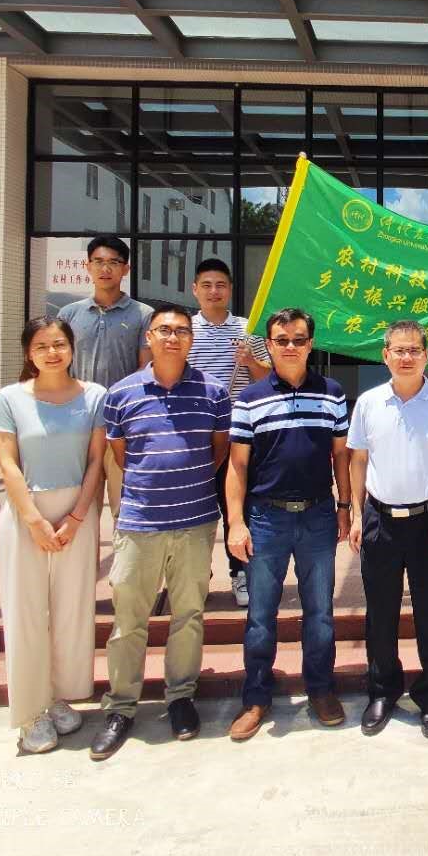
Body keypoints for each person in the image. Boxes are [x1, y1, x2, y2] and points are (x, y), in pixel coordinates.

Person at [90, 304, 231, 762]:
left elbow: (217, 451)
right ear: (149, 337)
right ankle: (121, 706)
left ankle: (181, 696)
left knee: (188, 614)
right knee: (129, 619)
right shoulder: (122, 393)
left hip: (195, 521)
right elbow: (120, 453)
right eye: (164, 330)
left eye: (182, 331)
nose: (173, 338)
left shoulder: (213, 392)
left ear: (192, 339)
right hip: (139, 524)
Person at [224, 308, 350, 741]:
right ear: (269, 345)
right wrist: (235, 522)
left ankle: (321, 689)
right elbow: (237, 465)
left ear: (311, 344)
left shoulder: (332, 393)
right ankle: (256, 698)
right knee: (261, 615)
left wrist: (345, 505)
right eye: (282, 340)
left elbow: (340, 455)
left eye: (299, 339)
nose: (291, 347)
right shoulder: (250, 398)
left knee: (321, 613)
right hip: (266, 518)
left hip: (318, 515)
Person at [0, 318, 107, 754]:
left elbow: (96, 461)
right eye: (41, 346)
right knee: (27, 611)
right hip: (26, 513)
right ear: (28, 353)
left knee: (73, 608)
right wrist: (34, 520)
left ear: (72, 348)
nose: (52, 353)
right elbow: (7, 463)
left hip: (78, 511)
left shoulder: (95, 396)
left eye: (59, 344)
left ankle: (58, 696)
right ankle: (30, 712)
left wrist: (76, 517)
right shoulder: (9, 398)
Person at [347, 320, 428, 740]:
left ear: (426, 355)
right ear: (385, 355)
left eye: (414, 350)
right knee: (380, 614)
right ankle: (383, 691)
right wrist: (356, 514)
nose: (406, 357)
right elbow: (358, 460)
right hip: (380, 521)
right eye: (398, 350)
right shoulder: (368, 403)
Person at [187, 257, 272, 608]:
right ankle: (196, 575)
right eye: (206, 285)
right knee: (196, 509)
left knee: (236, 507)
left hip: (238, 434)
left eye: (220, 285)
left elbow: (269, 377)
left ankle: (240, 573)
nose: (214, 291)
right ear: (195, 289)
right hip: (195, 434)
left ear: (230, 290)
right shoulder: (184, 329)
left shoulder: (247, 329)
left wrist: (250, 361)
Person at [56, 235, 152, 524]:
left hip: (122, 427)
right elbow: (58, 369)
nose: (105, 269)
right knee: (79, 510)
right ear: (87, 266)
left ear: (126, 269)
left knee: (126, 509)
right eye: (98, 262)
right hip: (78, 424)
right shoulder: (68, 315)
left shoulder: (143, 315)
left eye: (113, 262)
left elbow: (145, 369)